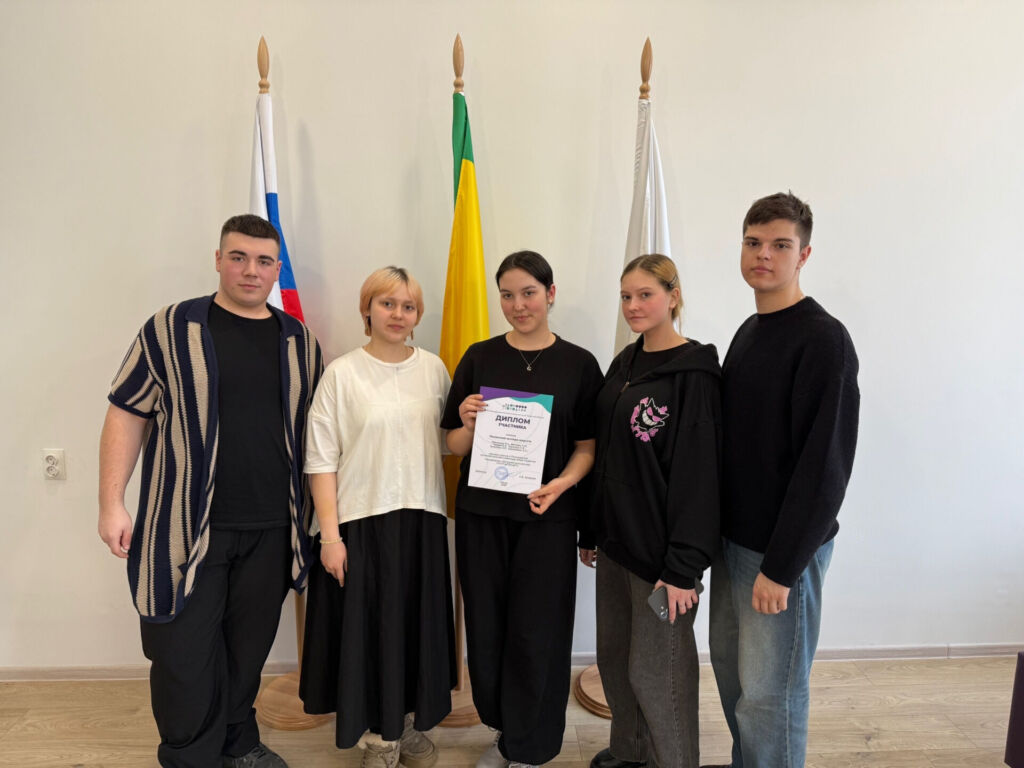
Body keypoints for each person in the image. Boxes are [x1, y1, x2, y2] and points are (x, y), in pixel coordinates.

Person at [97, 214, 323, 768]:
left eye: (263, 261)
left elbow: (319, 439)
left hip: (274, 529)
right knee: (182, 653)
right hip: (184, 528)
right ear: (219, 260)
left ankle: (237, 741)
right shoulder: (170, 328)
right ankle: (189, 756)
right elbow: (127, 413)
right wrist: (111, 503)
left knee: (247, 650)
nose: (251, 270)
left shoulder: (300, 342)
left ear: (277, 269)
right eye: (238, 257)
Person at [706, 192, 860, 768]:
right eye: (753, 242)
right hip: (733, 544)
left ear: (804, 254)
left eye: (779, 245)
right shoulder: (750, 330)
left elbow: (825, 468)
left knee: (772, 696)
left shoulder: (823, 339)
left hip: (778, 553)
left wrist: (782, 567)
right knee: (734, 679)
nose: (763, 255)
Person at [442, 251, 603, 768]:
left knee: (538, 634)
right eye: (507, 295)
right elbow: (452, 445)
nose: (518, 305)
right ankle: (505, 732)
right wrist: (467, 422)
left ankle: (531, 749)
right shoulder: (479, 357)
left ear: (550, 294)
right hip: (482, 518)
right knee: (487, 631)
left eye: (529, 293)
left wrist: (562, 484)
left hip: (547, 519)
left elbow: (588, 447)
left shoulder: (580, 364)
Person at [299, 266, 456, 768]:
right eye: (387, 303)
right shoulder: (342, 374)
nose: (398, 314)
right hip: (360, 522)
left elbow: (448, 443)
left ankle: (403, 724)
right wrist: (330, 537)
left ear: (418, 316)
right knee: (368, 634)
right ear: (367, 309)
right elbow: (320, 459)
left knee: (412, 629)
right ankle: (377, 740)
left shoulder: (434, 370)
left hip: (422, 522)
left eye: (408, 306)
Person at [581, 254, 721, 768]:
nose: (633, 306)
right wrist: (591, 531)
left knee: (660, 675)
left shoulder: (694, 376)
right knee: (616, 662)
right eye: (626, 296)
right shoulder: (625, 362)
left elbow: (699, 478)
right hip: (615, 546)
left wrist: (683, 568)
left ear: (673, 296)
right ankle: (631, 752)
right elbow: (607, 455)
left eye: (645, 295)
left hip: (662, 562)